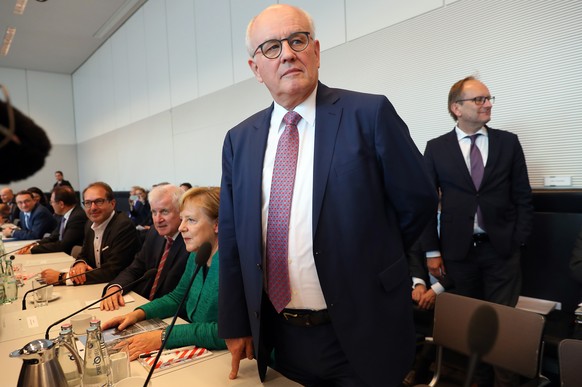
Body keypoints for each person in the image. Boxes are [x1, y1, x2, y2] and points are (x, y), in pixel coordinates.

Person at [218, 5, 437, 386]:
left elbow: (417, 199)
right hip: (280, 335)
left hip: (363, 327)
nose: (287, 53)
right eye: (271, 47)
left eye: (297, 40)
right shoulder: (239, 141)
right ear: (255, 68)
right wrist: (236, 322)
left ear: (315, 52)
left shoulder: (368, 114)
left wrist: (371, 255)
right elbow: (234, 239)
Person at [421, 76, 533, 386]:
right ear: (456, 107)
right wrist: (432, 252)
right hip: (457, 253)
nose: (487, 104)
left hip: (502, 251)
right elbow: (426, 205)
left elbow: (522, 195)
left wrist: (519, 239)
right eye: (479, 99)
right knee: (471, 325)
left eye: (488, 98)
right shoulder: (436, 148)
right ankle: (477, 380)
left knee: (503, 324)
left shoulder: (507, 142)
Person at [102, 187, 226, 360]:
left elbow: (227, 331)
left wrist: (163, 336)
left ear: (217, 224)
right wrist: (137, 314)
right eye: (182, 219)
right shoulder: (196, 254)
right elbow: (177, 298)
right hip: (204, 350)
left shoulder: (233, 265)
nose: (182, 227)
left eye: (191, 220)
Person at [100, 184, 189, 310]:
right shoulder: (154, 233)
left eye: (164, 211)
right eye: (154, 212)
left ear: (181, 212)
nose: (158, 220)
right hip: (143, 306)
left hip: (170, 313)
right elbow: (136, 268)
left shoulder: (190, 242)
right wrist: (115, 287)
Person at [40, 182, 140, 285]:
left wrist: (63, 278)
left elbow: (112, 271)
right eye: (88, 203)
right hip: (97, 285)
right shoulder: (89, 223)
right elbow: (84, 254)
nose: (93, 207)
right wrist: (80, 263)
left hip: (123, 289)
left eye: (99, 201)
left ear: (112, 203)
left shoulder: (123, 226)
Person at [17, 186, 87, 255]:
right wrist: (35, 244)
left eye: (52, 202)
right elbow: (53, 237)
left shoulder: (77, 217)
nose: (51, 205)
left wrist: (33, 249)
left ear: (61, 204)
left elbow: (63, 246)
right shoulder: (63, 215)